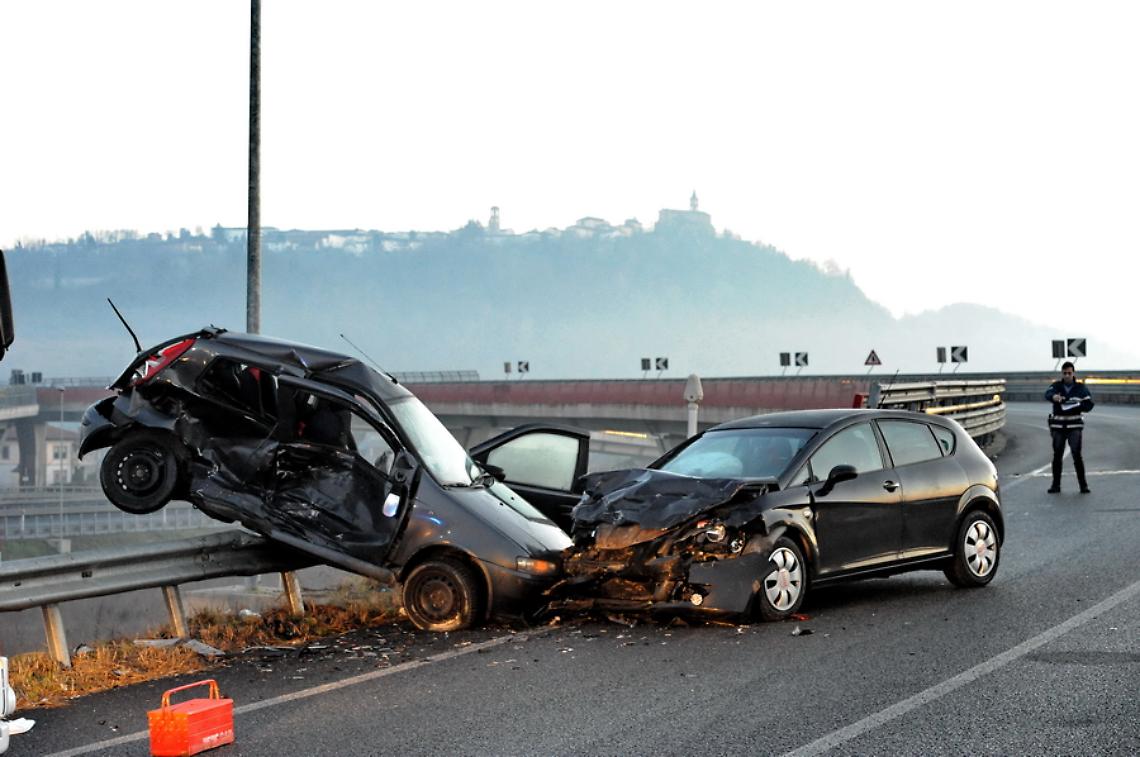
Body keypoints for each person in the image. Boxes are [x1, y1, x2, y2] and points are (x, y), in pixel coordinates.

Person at [1045, 361, 1094, 493]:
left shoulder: (1080, 388)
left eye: (1069, 373)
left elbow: (1089, 404)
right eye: (1065, 373)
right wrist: (1054, 397)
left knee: (1077, 455)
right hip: (1058, 426)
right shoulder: (1056, 386)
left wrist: (1078, 405)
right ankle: (1056, 485)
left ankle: (1083, 486)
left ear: (1073, 373)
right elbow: (1047, 394)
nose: (1067, 376)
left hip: (1074, 426)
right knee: (1057, 455)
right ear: (1062, 373)